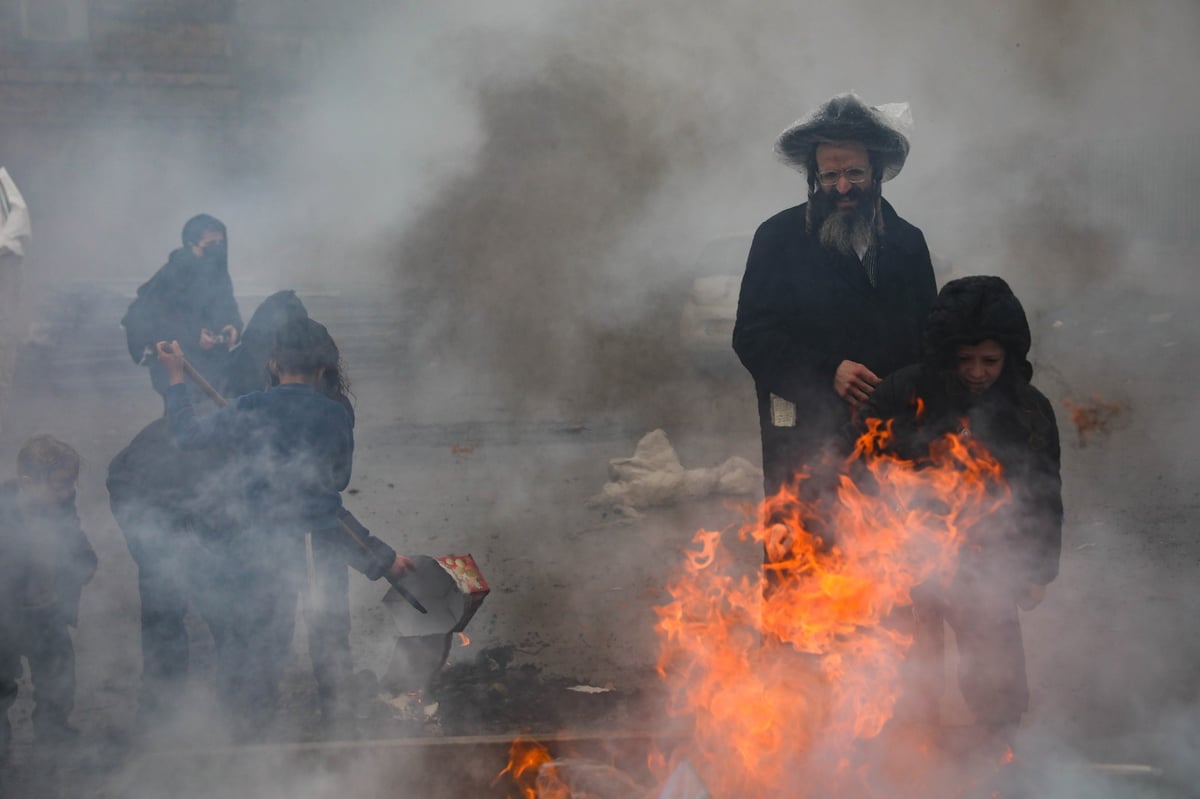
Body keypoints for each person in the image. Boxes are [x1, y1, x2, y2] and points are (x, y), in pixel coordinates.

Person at [156, 317, 411, 739]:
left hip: (259, 547)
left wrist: (176, 378)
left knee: (263, 640)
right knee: (329, 638)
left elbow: (187, 436)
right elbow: (339, 481)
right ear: (324, 368)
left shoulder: (251, 407)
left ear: (274, 363)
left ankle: (253, 733)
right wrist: (381, 560)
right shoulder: (334, 414)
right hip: (319, 544)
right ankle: (338, 725)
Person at [853, 275, 1063, 748]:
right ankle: (911, 746)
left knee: (994, 666)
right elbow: (858, 469)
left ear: (1010, 356)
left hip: (988, 562)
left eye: (990, 360)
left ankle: (999, 746)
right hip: (908, 557)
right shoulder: (901, 396)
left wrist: (1038, 569)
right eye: (964, 359)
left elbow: (1044, 495)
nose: (976, 371)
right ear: (945, 353)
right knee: (911, 665)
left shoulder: (1029, 411)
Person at [733, 93, 938, 499]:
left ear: (877, 172)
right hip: (806, 440)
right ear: (814, 178)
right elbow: (753, 336)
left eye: (855, 173)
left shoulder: (908, 242)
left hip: (890, 439)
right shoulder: (778, 239)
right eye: (829, 176)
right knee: (808, 548)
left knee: (890, 553)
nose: (842, 187)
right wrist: (828, 372)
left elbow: (930, 341)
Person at [0, 435, 97, 762]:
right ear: (27, 481)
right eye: (59, 484)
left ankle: (54, 732)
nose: (68, 492)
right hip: (5, 619)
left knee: (59, 678)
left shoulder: (62, 504)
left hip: (47, 612)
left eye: (71, 483)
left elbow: (77, 543)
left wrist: (82, 563)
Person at [122, 214, 242, 404]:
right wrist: (194, 336)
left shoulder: (219, 273)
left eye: (221, 243)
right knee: (183, 417)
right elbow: (152, 319)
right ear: (191, 244)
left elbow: (228, 307)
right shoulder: (172, 274)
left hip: (211, 364)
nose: (217, 250)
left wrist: (233, 326)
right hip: (177, 365)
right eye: (210, 245)